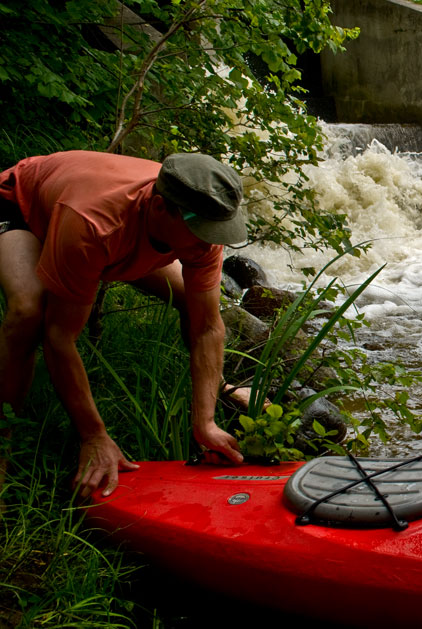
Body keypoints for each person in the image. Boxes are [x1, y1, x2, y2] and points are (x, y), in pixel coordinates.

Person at [0, 150, 249, 499]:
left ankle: (217, 388)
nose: (209, 242)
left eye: (216, 231)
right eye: (201, 232)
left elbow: (208, 326)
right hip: (24, 207)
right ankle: (3, 444)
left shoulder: (201, 225)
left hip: (107, 231)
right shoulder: (94, 223)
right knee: (28, 313)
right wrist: (94, 435)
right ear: (160, 207)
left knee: (191, 302)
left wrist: (204, 422)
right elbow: (59, 337)